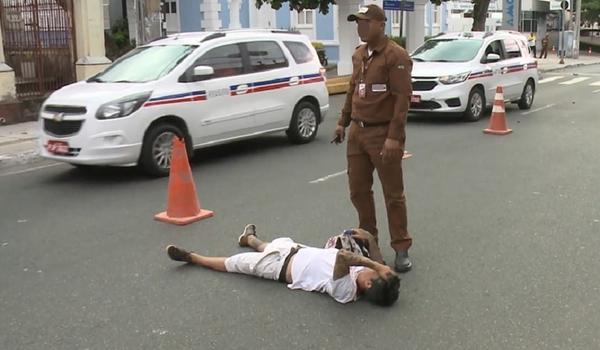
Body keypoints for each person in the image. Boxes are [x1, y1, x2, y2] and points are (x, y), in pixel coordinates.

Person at [332, 4, 414, 273]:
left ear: (381, 25)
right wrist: (343, 122)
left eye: (366, 23)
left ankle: (401, 247)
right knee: (358, 191)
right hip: (357, 131)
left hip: (383, 134)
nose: (361, 27)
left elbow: (402, 101)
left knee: (393, 193)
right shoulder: (358, 55)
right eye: (358, 23)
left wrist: (394, 138)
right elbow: (352, 91)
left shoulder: (396, 56)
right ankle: (370, 242)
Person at [166, 224, 400, 306]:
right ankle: (248, 238)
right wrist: (367, 239)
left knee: (233, 263)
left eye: (377, 271)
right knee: (269, 244)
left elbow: (343, 257)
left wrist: (376, 266)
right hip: (297, 250)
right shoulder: (368, 275)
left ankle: (192, 257)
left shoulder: (346, 291)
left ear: (369, 283)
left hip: (277, 268)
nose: (377, 267)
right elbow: (370, 242)